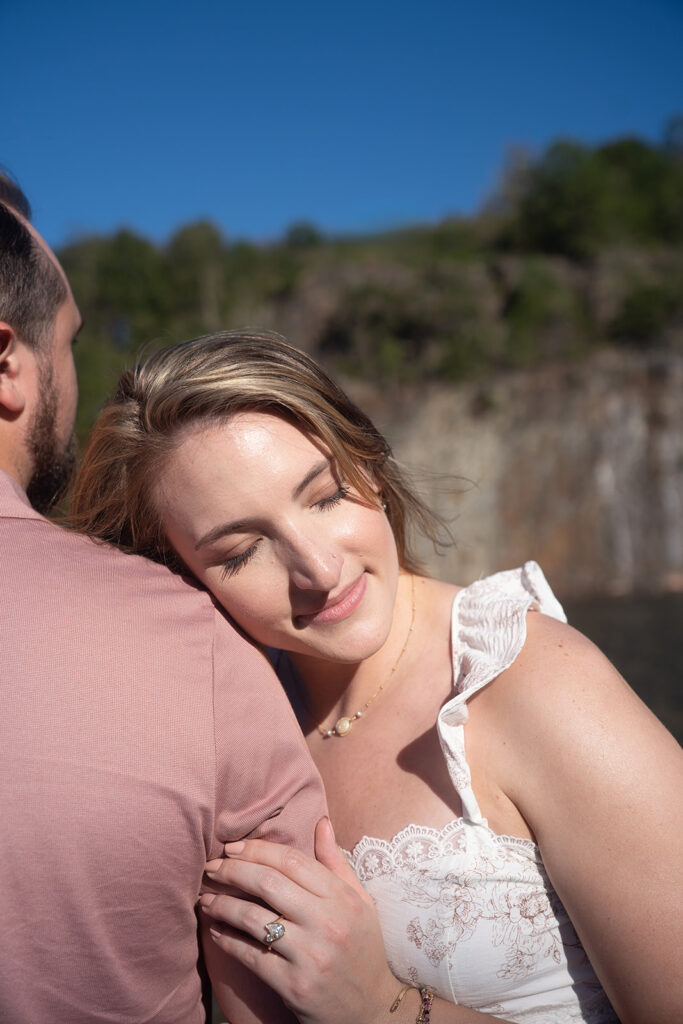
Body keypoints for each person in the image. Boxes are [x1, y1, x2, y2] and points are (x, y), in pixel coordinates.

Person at [70, 330, 683, 1024]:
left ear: (370, 463)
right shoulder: (221, 734)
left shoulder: (534, 678)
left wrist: (384, 1008)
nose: (318, 569)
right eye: (241, 551)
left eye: (326, 496)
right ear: (181, 578)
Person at [0, 181, 327, 1024]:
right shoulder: (197, 649)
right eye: (68, 342)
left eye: (323, 496)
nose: (316, 568)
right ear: (6, 363)